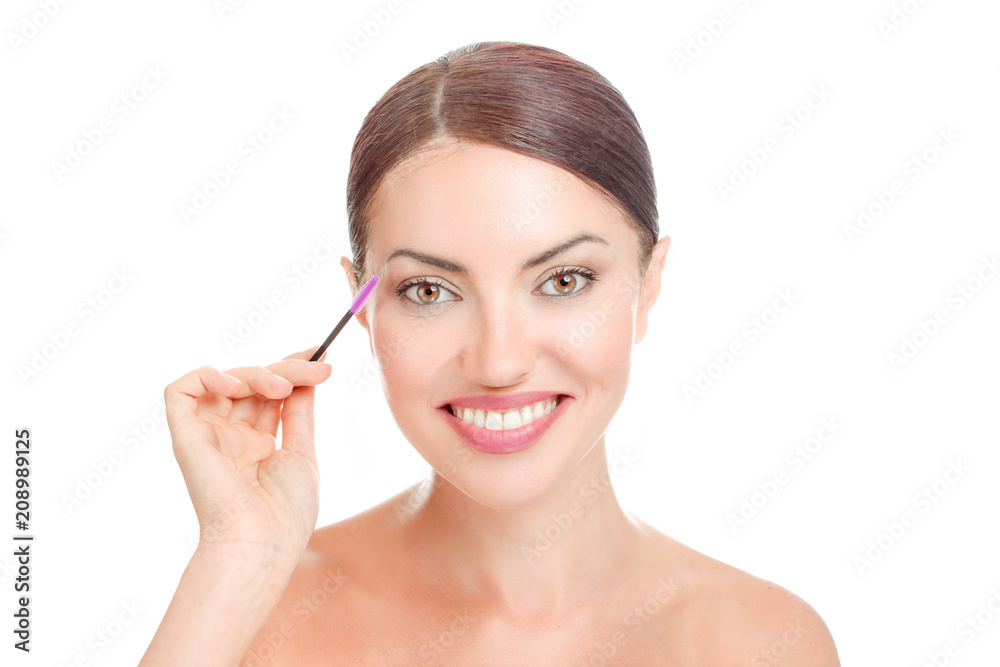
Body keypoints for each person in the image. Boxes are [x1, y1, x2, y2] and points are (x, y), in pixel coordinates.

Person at [140, 41, 840, 665]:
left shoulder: (764, 643)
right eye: (431, 291)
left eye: (563, 280)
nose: (499, 361)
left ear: (648, 285)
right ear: (361, 303)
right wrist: (234, 564)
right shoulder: (253, 622)